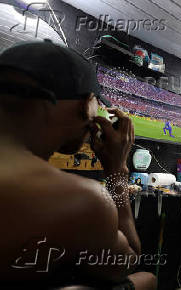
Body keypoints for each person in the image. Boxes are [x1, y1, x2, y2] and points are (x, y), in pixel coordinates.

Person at [0, 40, 156, 290]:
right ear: (85, 106)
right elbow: (126, 262)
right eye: (96, 101)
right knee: (147, 280)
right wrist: (117, 170)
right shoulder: (84, 198)